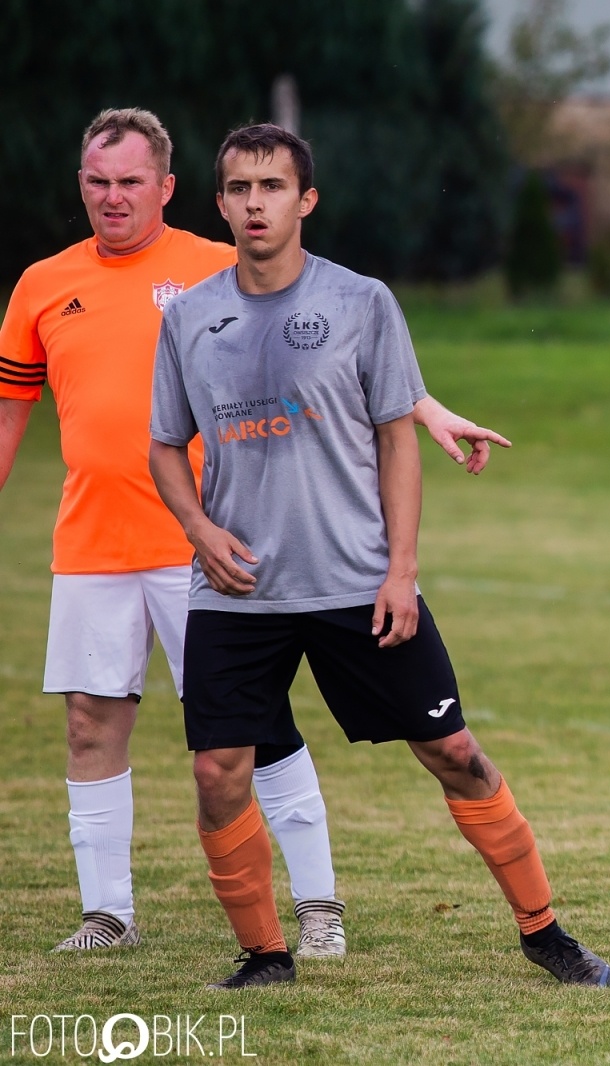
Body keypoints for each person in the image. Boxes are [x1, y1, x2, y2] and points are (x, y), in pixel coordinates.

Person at [0, 108, 509, 957]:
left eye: (131, 181)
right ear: (80, 187)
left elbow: (341, 341)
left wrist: (428, 408)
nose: (113, 197)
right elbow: (9, 417)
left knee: (255, 734)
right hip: (93, 545)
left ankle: (319, 906)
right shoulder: (41, 285)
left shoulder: (221, 260)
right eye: (97, 181)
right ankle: (107, 914)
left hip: (219, 552)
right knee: (89, 725)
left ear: (168, 189)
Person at [148, 122, 610, 990]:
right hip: (237, 590)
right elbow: (164, 446)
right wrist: (198, 530)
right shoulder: (189, 319)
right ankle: (264, 956)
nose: (256, 204)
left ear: (307, 201)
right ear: (219, 204)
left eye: (273, 187)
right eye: (241, 189)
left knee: (453, 752)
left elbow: (398, 440)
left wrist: (400, 572)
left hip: (353, 583)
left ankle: (545, 931)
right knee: (219, 772)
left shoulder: (363, 303)